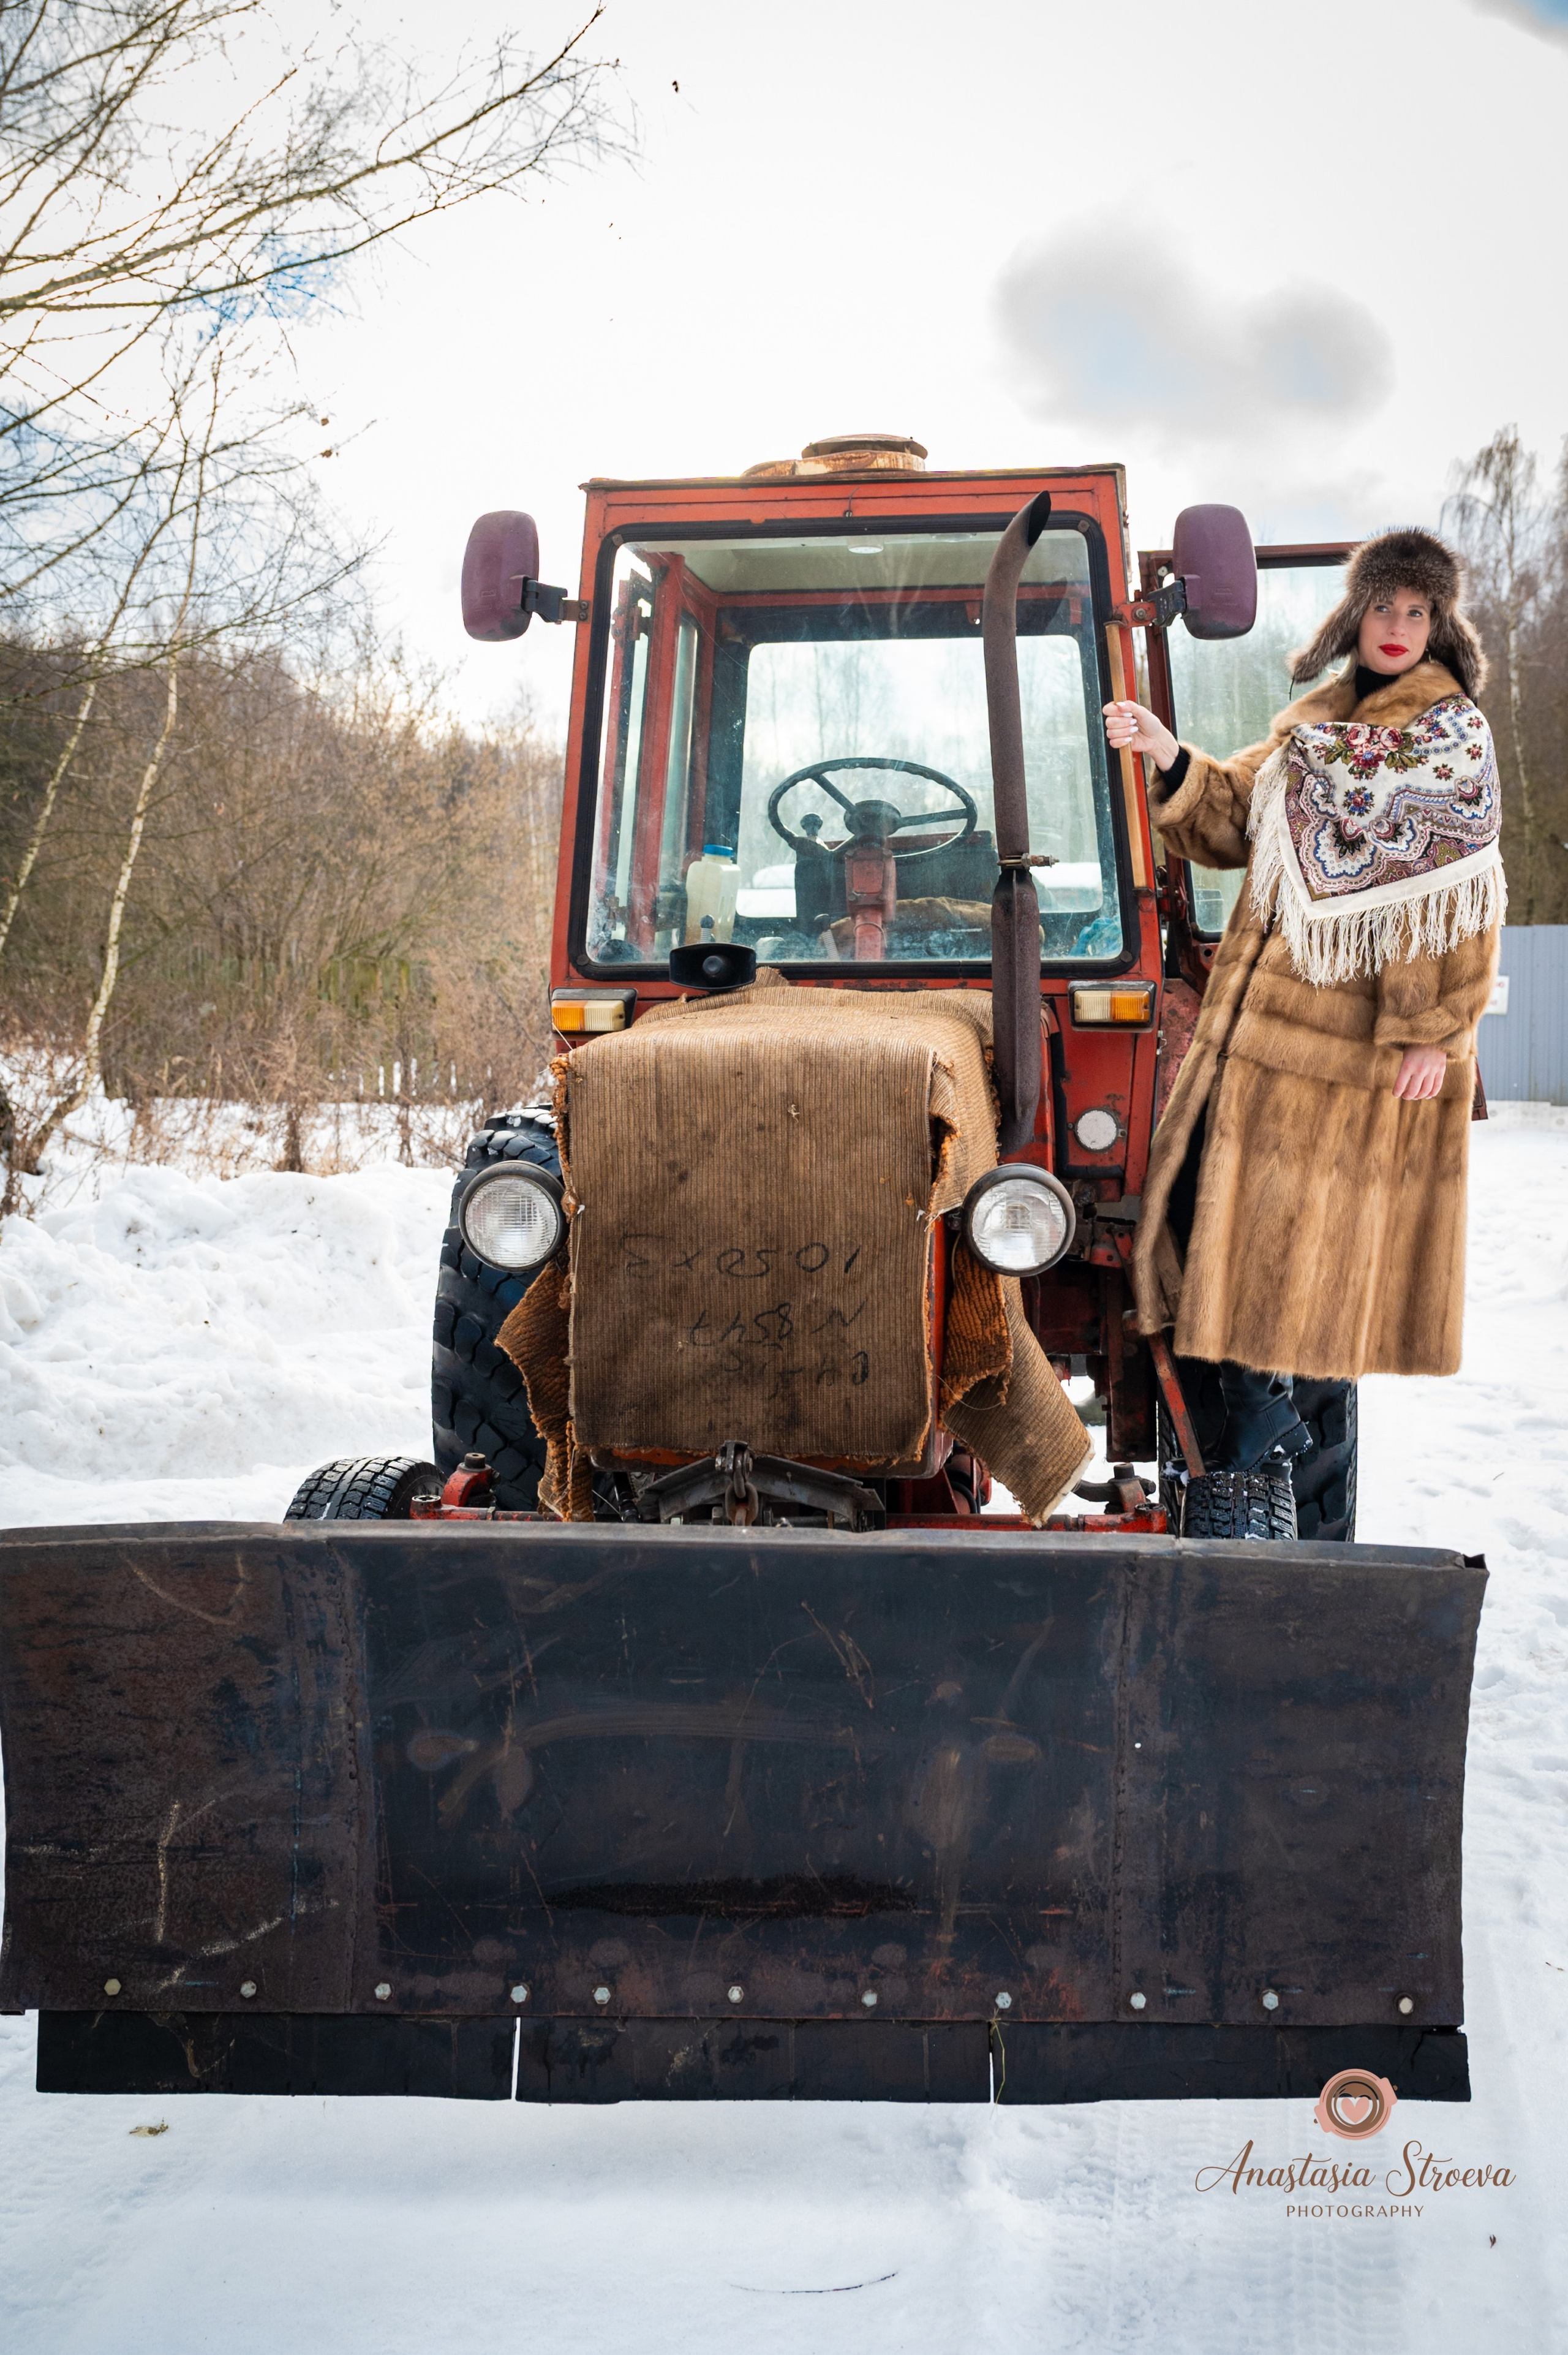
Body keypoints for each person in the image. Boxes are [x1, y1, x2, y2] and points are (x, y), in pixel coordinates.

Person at [1103, 527, 1502, 1476]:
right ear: (1354, 617)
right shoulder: (1315, 729)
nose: (1397, 625)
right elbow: (1235, 815)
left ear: (1439, 626)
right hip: (1259, 1029)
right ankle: (1255, 1405)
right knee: (1204, 1198)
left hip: (1354, 1038)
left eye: (1417, 611)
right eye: (1382, 606)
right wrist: (1170, 756)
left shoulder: (1449, 737)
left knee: (1296, 1233)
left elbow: (1457, 903)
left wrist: (1433, 1034)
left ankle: (1265, 1411)